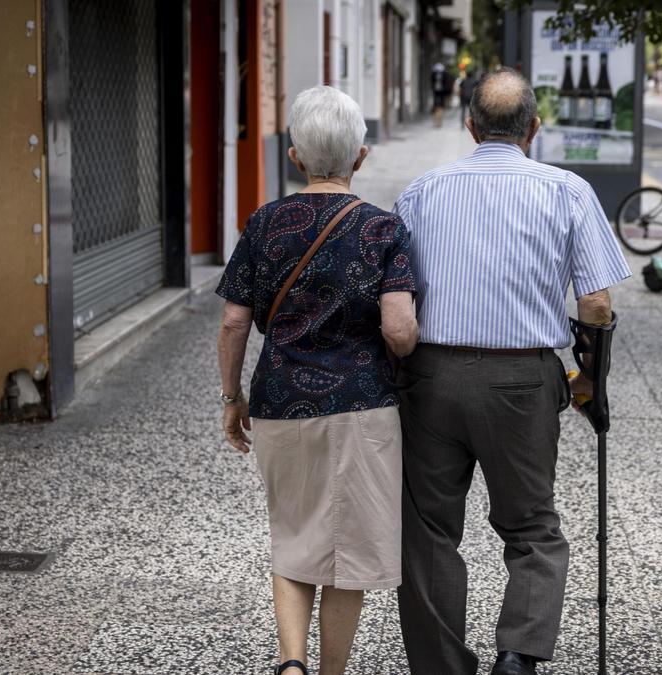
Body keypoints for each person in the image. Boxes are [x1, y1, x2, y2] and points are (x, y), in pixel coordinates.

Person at [393, 68, 630, 675]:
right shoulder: (567, 191)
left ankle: (441, 666)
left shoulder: (421, 192)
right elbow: (597, 305)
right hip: (523, 383)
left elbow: (395, 296)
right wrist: (588, 384)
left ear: (469, 125)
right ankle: (518, 657)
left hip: (432, 378)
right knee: (532, 529)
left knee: (427, 531)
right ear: (535, 128)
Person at [215, 85, 419, 675]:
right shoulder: (384, 230)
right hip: (363, 406)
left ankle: (291, 663)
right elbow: (400, 330)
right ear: (361, 156)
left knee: (295, 534)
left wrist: (233, 399)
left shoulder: (265, 222)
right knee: (348, 555)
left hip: (279, 403)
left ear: (295, 155)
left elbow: (233, 321)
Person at [431, 62, 452, 127]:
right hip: (440, 92)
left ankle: (437, 121)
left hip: (438, 92)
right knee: (439, 107)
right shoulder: (444, 75)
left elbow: (432, 82)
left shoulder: (434, 74)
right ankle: (438, 121)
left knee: (437, 107)